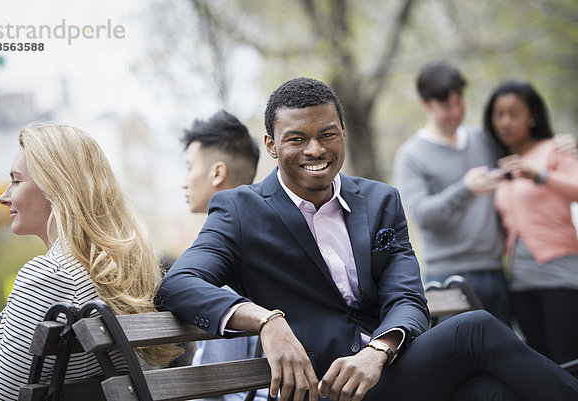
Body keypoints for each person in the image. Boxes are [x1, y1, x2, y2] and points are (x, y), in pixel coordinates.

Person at [159, 77, 578, 401]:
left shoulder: (380, 201)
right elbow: (179, 284)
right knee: (477, 330)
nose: (315, 150)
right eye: (296, 139)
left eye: (327, 134)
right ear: (271, 145)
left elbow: (407, 299)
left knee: (491, 392)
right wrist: (268, 321)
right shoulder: (240, 209)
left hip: (387, 367)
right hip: (325, 384)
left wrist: (378, 351)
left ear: (343, 132)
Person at [0, 124, 180, 400]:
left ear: (55, 187)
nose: (4, 196)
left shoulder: (49, 275)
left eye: (16, 180)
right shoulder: (122, 273)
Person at [393, 60, 512, 325]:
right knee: (461, 362)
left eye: (460, 101)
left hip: (495, 271)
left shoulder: (484, 139)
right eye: (446, 105)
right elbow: (422, 214)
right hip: (447, 278)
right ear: (426, 104)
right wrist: (466, 189)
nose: (456, 111)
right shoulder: (411, 155)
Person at [484, 80, 578, 364]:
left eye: (514, 113)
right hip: (520, 281)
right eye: (499, 114)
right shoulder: (501, 164)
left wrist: (539, 175)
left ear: (532, 115)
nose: (505, 122)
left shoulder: (555, 150)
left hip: (560, 273)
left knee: (568, 360)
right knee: (543, 364)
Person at [181, 110, 265, 401]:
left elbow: (215, 378)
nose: (184, 181)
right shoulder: (271, 234)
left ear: (217, 172)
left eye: (189, 167)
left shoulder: (221, 254)